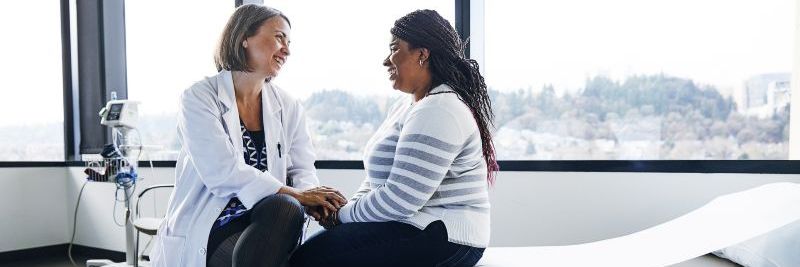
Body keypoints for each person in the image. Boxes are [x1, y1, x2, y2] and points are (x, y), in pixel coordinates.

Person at [290, 9, 498, 267]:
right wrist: (343, 212)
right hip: (412, 226)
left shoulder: (440, 109)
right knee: (310, 254)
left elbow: (401, 199)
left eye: (394, 49)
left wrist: (341, 216)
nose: (386, 61)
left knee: (310, 260)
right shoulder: (406, 106)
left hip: (446, 237)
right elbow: (378, 181)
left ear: (422, 54)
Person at [150, 4, 346, 267]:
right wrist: (298, 195)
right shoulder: (200, 97)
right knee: (285, 208)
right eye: (279, 37)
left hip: (268, 220)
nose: (287, 49)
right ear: (244, 38)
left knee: (285, 208)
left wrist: (315, 197)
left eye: (289, 41)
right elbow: (222, 171)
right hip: (213, 224)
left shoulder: (288, 106)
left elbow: (302, 168)